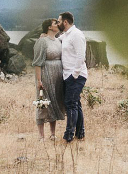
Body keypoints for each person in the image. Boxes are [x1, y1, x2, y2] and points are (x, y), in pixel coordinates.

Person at [32, 18, 66, 140]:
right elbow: (37, 62)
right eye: (56, 23)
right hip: (46, 73)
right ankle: (41, 136)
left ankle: (53, 134)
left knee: (55, 101)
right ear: (49, 27)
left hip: (57, 74)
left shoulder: (58, 40)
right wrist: (39, 80)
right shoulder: (42, 41)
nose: (58, 24)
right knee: (43, 102)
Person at [57, 11, 87, 143]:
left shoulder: (76, 35)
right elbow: (56, 40)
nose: (57, 23)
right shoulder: (66, 35)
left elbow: (81, 56)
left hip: (76, 76)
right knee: (76, 104)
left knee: (70, 104)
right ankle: (80, 133)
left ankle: (68, 135)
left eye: (59, 21)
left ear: (65, 22)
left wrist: (74, 75)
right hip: (68, 75)